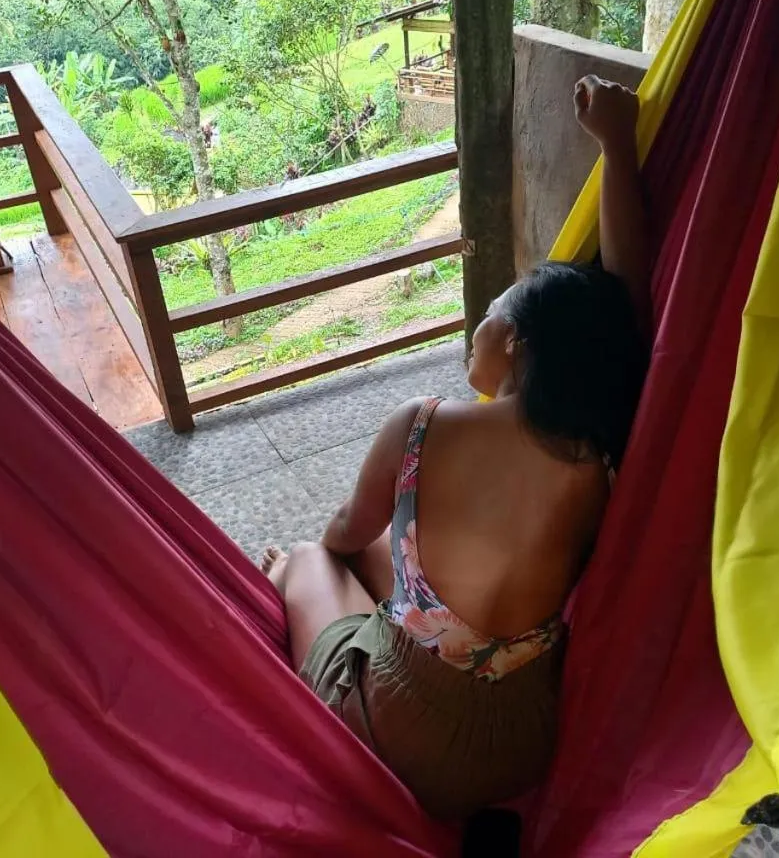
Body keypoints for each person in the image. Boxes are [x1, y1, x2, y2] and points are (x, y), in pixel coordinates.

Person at [261, 75, 651, 819]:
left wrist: (317, 558)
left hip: (396, 734)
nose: (477, 327)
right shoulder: (605, 449)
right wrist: (618, 143)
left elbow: (346, 530)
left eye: (489, 315)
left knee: (315, 557)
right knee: (398, 566)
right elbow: (628, 308)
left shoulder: (423, 425)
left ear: (512, 339)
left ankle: (287, 585)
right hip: (521, 742)